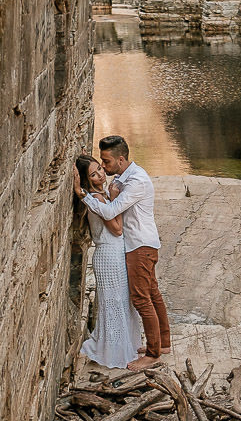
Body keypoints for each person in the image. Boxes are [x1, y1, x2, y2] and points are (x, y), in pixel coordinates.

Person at [84, 135, 171, 371]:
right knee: (153, 293)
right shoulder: (125, 177)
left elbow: (112, 211)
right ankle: (163, 343)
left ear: (121, 160)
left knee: (142, 298)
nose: (103, 167)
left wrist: (84, 196)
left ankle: (153, 354)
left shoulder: (136, 182)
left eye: (106, 162)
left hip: (139, 246)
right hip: (142, 244)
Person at [72, 154, 143, 369]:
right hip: (109, 255)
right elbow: (117, 228)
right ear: (87, 180)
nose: (101, 175)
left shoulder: (99, 196)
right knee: (114, 302)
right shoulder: (100, 199)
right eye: (93, 174)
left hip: (113, 253)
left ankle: (121, 347)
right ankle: (113, 352)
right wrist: (114, 200)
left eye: (100, 169)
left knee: (120, 301)